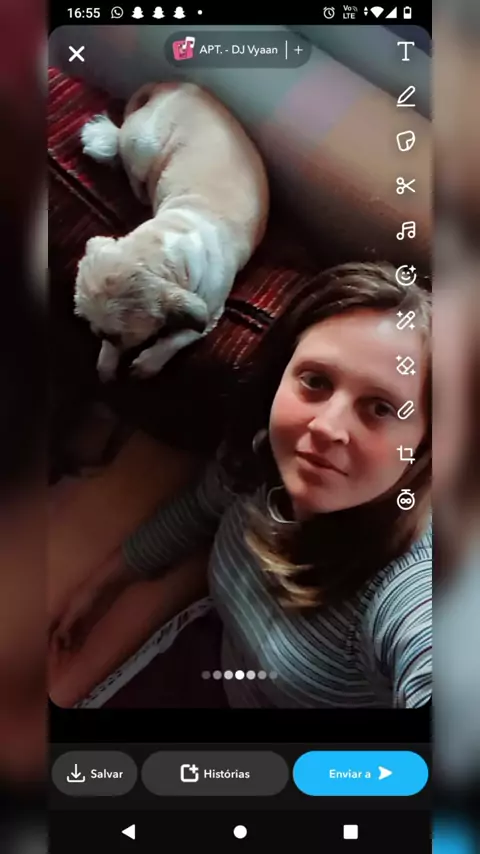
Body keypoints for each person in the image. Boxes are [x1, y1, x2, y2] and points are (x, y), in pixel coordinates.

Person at [51, 262, 432, 708]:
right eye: (315, 381)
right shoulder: (258, 459)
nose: (327, 426)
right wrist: (104, 585)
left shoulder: (411, 584)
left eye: (381, 408)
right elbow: (199, 509)